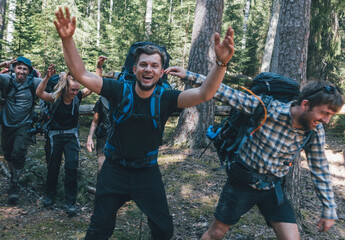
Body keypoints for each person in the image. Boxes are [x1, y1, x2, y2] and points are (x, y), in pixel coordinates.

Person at [54, 6, 234, 239]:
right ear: (135, 69)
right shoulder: (119, 90)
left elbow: (204, 94)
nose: (148, 69)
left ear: (161, 73)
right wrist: (67, 39)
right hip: (114, 169)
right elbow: (80, 74)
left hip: (146, 172)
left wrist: (220, 64)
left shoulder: (166, 98)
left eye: (154, 66)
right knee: (99, 229)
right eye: (143, 65)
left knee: (163, 229)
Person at [165, 66, 344, 240]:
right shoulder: (267, 109)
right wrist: (188, 75)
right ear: (305, 105)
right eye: (324, 113)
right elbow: (224, 92)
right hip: (241, 184)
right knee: (216, 234)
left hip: (273, 188)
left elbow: (320, 168)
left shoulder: (314, 130)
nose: (326, 121)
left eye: (330, 116)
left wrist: (328, 209)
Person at [36, 64, 92, 216]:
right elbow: (39, 92)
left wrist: (98, 68)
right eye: (72, 90)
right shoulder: (55, 98)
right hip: (55, 135)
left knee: (72, 167)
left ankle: (70, 203)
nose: (75, 92)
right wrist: (47, 77)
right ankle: (49, 196)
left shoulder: (77, 97)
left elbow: (91, 87)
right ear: (65, 88)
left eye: (76, 89)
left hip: (71, 136)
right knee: (53, 167)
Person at [0, 57, 43, 204]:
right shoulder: (6, 80)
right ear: (14, 69)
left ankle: (14, 182)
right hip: (7, 124)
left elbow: (52, 85)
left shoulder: (34, 82)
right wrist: (2, 65)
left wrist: (54, 76)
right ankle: (14, 177)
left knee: (18, 152)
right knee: (8, 153)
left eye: (25, 69)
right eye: (19, 68)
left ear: (29, 71)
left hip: (24, 124)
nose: (22, 71)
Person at [87, 56, 110, 174]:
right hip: (103, 137)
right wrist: (90, 137)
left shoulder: (125, 99)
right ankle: (101, 191)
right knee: (102, 166)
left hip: (118, 138)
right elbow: (95, 121)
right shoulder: (102, 101)